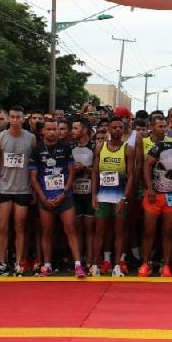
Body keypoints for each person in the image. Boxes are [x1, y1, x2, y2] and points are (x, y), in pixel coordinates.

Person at [29, 119, 85, 278]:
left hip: (65, 197)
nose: (53, 132)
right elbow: (33, 178)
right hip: (45, 198)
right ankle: (47, 265)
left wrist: (64, 193)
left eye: (55, 129)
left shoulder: (65, 148)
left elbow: (71, 171)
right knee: (47, 232)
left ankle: (78, 265)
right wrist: (43, 198)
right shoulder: (37, 150)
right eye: (49, 129)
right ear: (43, 132)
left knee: (71, 230)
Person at [0, 106, 38, 276]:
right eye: (12, 117)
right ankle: (2, 262)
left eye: (18, 117)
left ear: (23, 118)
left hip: (23, 189)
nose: (15, 120)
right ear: (8, 118)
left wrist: (33, 189)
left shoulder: (31, 138)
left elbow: (34, 165)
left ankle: (19, 262)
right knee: (2, 226)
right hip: (4, 187)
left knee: (20, 227)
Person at [139, 125, 172, 276]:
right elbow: (146, 165)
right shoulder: (160, 147)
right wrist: (149, 188)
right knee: (149, 232)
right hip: (153, 195)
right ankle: (145, 263)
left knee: (168, 233)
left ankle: (166, 265)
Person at [91, 116, 135, 276]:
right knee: (99, 231)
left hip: (118, 197)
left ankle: (116, 265)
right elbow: (95, 173)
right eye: (114, 127)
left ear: (123, 130)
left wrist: (125, 198)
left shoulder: (128, 149)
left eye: (120, 128)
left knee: (119, 232)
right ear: (109, 129)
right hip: (102, 197)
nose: (117, 130)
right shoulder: (99, 148)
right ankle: (95, 264)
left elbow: (131, 176)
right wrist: (93, 195)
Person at [70, 116, 98, 272]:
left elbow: (98, 171)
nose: (72, 131)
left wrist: (84, 169)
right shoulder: (70, 147)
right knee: (77, 228)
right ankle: (78, 260)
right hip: (74, 193)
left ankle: (91, 260)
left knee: (89, 228)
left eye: (75, 128)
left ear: (85, 130)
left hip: (89, 193)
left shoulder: (95, 147)